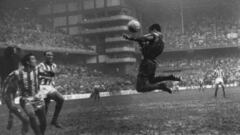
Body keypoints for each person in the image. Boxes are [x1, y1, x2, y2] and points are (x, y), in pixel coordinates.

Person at [123, 23, 181, 93]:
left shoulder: (154, 34)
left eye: (150, 31)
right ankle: (169, 77)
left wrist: (131, 38)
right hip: (152, 63)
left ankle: (160, 86)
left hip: (147, 63)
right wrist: (141, 43)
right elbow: (146, 44)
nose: (149, 33)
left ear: (154, 29)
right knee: (151, 80)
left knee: (140, 88)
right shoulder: (161, 39)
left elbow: (144, 38)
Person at [3, 53, 47, 135]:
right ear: (28, 62)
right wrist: (7, 96)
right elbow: (6, 82)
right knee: (32, 115)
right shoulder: (17, 73)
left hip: (38, 99)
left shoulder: (38, 70)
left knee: (44, 123)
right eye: (33, 59)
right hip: (26, 99)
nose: (35, 61)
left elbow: (48, 75)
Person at [37, 51, 64, 128]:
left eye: (51, 55)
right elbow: (42, 74)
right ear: (44, 56)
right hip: (42, 87)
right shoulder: (40, 65)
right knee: (45, 106)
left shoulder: (54, 65)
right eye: (48, 55)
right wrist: (49, 73)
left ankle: (54, 121)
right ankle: (44, 123)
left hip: (50, 86)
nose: (50, 56)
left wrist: (50, 75)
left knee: (60, 99)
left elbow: (53, 75)